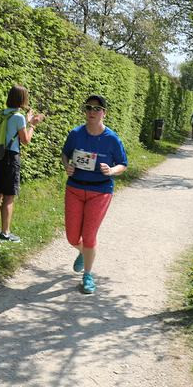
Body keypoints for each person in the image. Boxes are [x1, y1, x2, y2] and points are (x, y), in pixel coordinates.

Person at [62, 94, 128, 294]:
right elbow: (66, 154)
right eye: (88, 108)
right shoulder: (75, 134)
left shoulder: (112, 139)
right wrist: (67, 166)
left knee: (89, 236)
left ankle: (88, 276)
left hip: (100, 191)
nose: (92, 112)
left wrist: (111, 170)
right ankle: (84, 252)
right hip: (74, 188)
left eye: (96, 109)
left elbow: (123, 164)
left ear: (104, 113)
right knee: (73, 238)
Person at [0, 85, 45, 243]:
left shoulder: (4, 114)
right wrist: (33, 125)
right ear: (22, 99)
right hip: (11, 158)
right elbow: (25, 140)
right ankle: (5, 233)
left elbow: (12, 130)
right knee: (9, 196)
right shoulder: (19, 117)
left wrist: (26, 121)